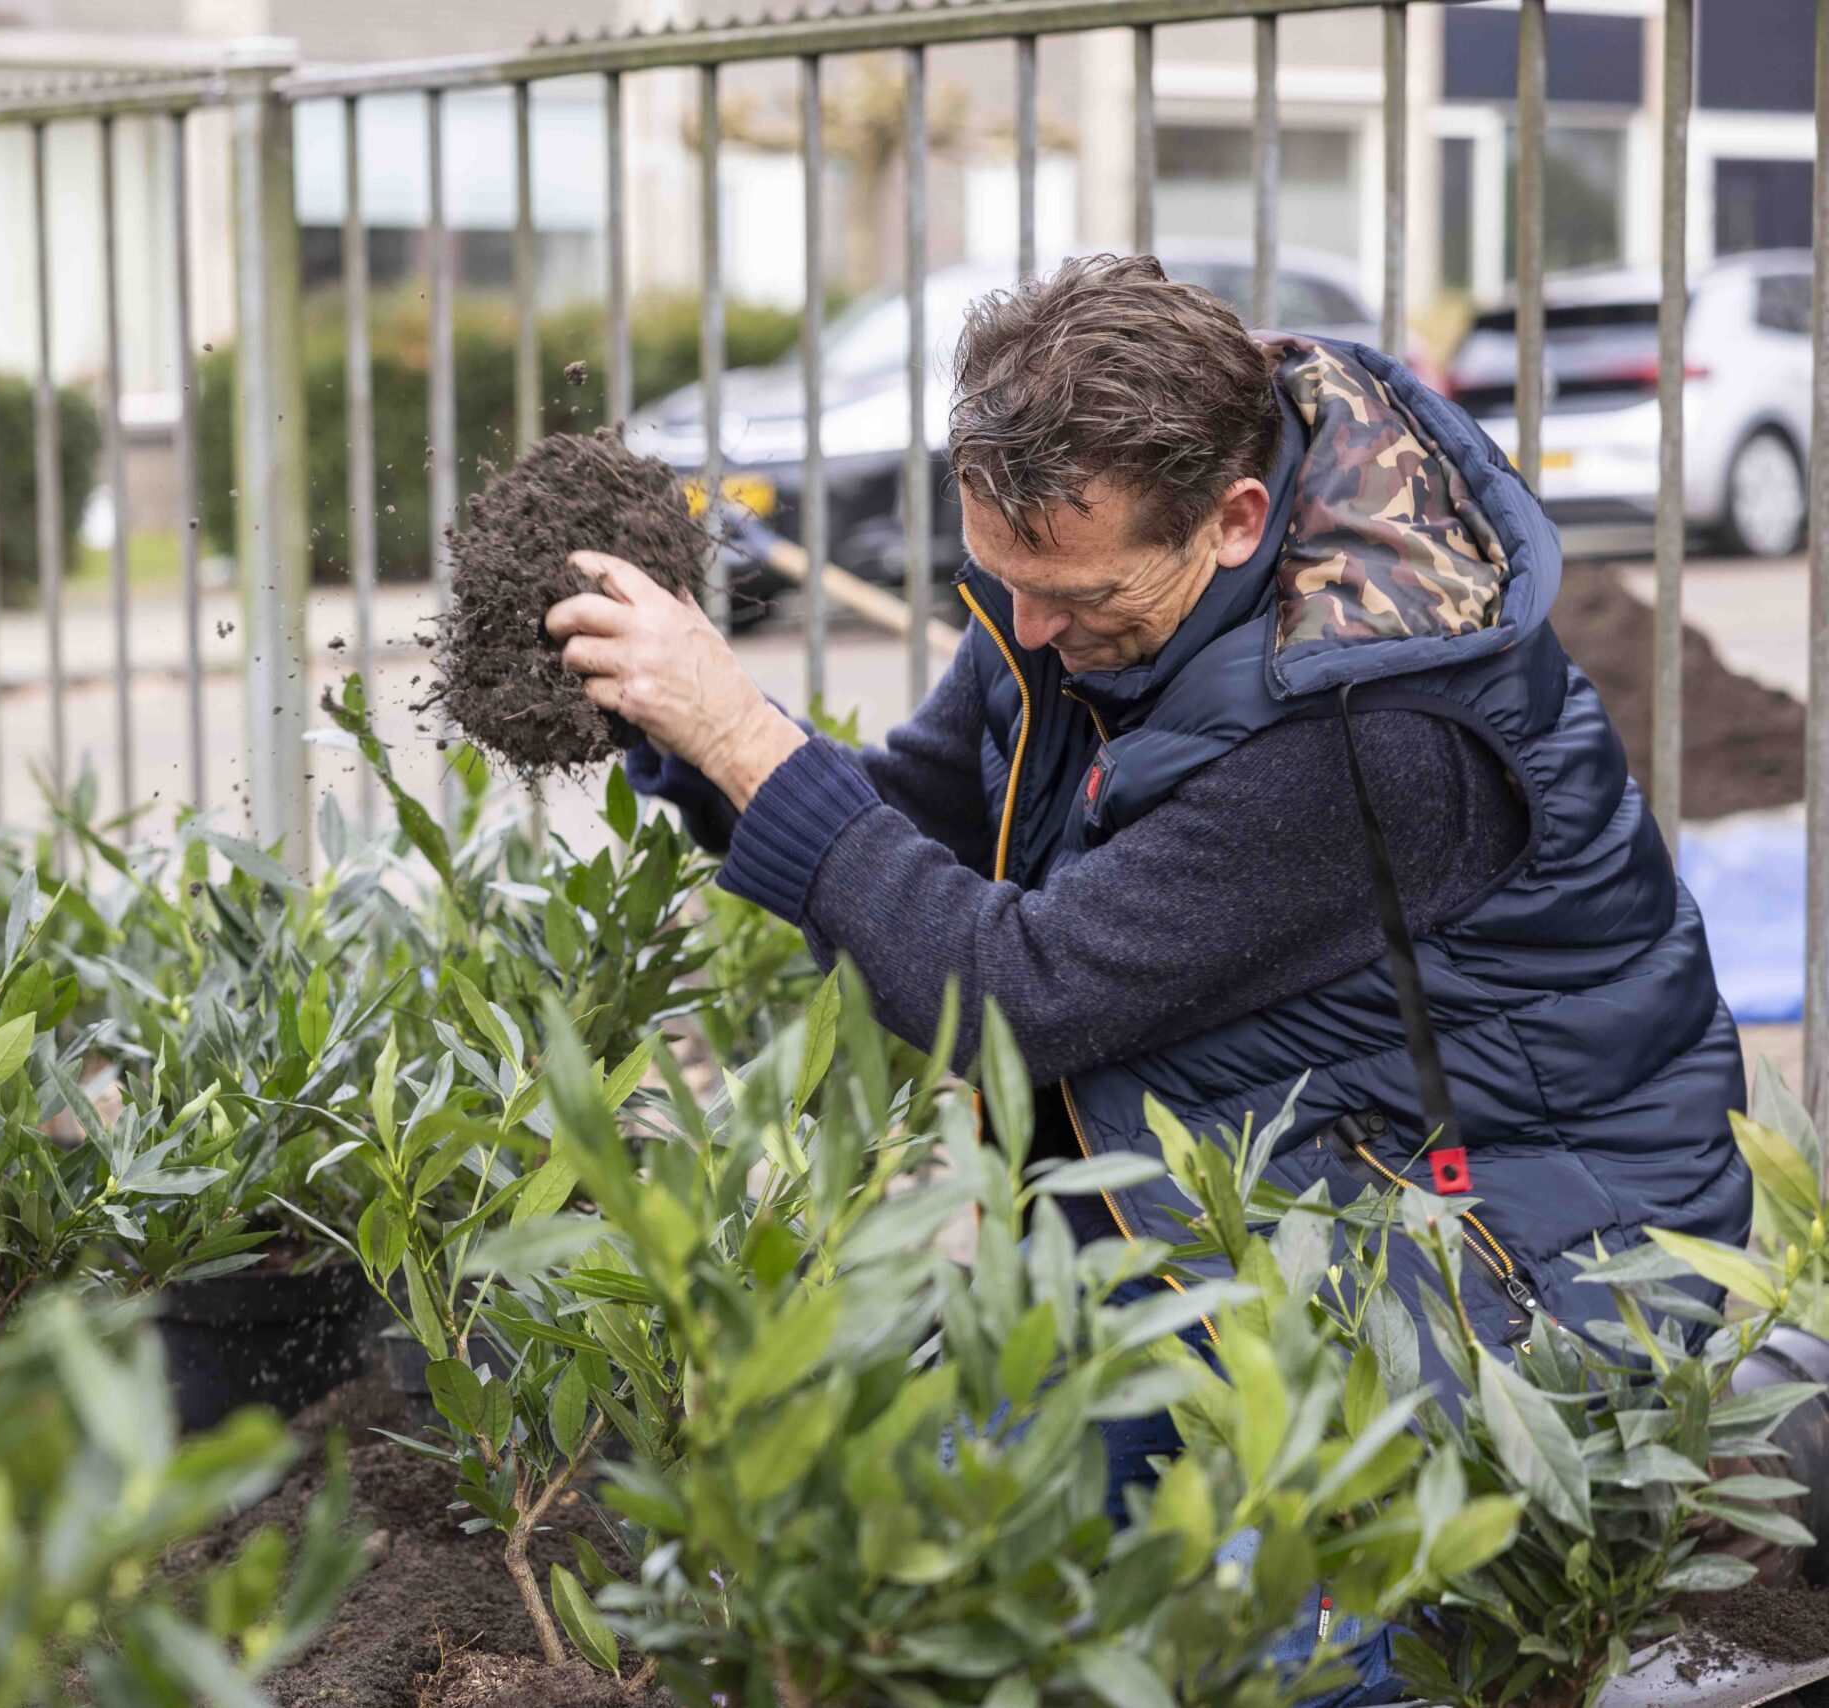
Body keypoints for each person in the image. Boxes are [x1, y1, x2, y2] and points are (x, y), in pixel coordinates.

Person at [548, 254, 1752, 1700]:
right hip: (1225, 1216)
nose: (1032, 631)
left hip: (1485, 1288)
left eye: (1076, 596)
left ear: (1238, 519)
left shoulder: (1374, 728)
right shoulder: (1078, 586)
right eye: (1006, 582)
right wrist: (689, 730)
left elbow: (1005, 990)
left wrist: (747, 735)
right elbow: (926, 829)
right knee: (914, 1568)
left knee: (1241, 1663)